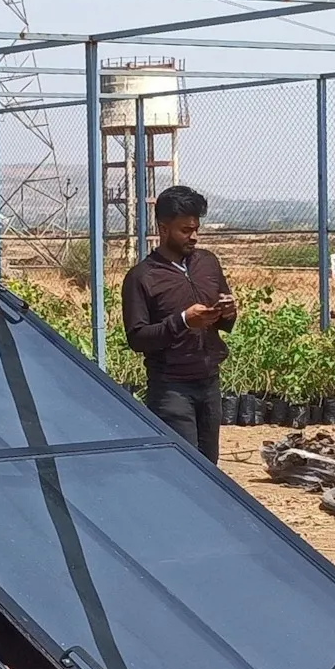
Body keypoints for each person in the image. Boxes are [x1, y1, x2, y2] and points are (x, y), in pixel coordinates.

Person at [121, 185, 237, 464]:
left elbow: (224, 322)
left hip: (209, 383)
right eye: (185, 230)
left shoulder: (208, 263)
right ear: (163, 229)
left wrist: (227, 312)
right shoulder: (142, 278)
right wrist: (183, 321)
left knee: (210, 466)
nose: (194, 237)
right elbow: (137, 338)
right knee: (183, 467)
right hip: (171, 388)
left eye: (196, 229)